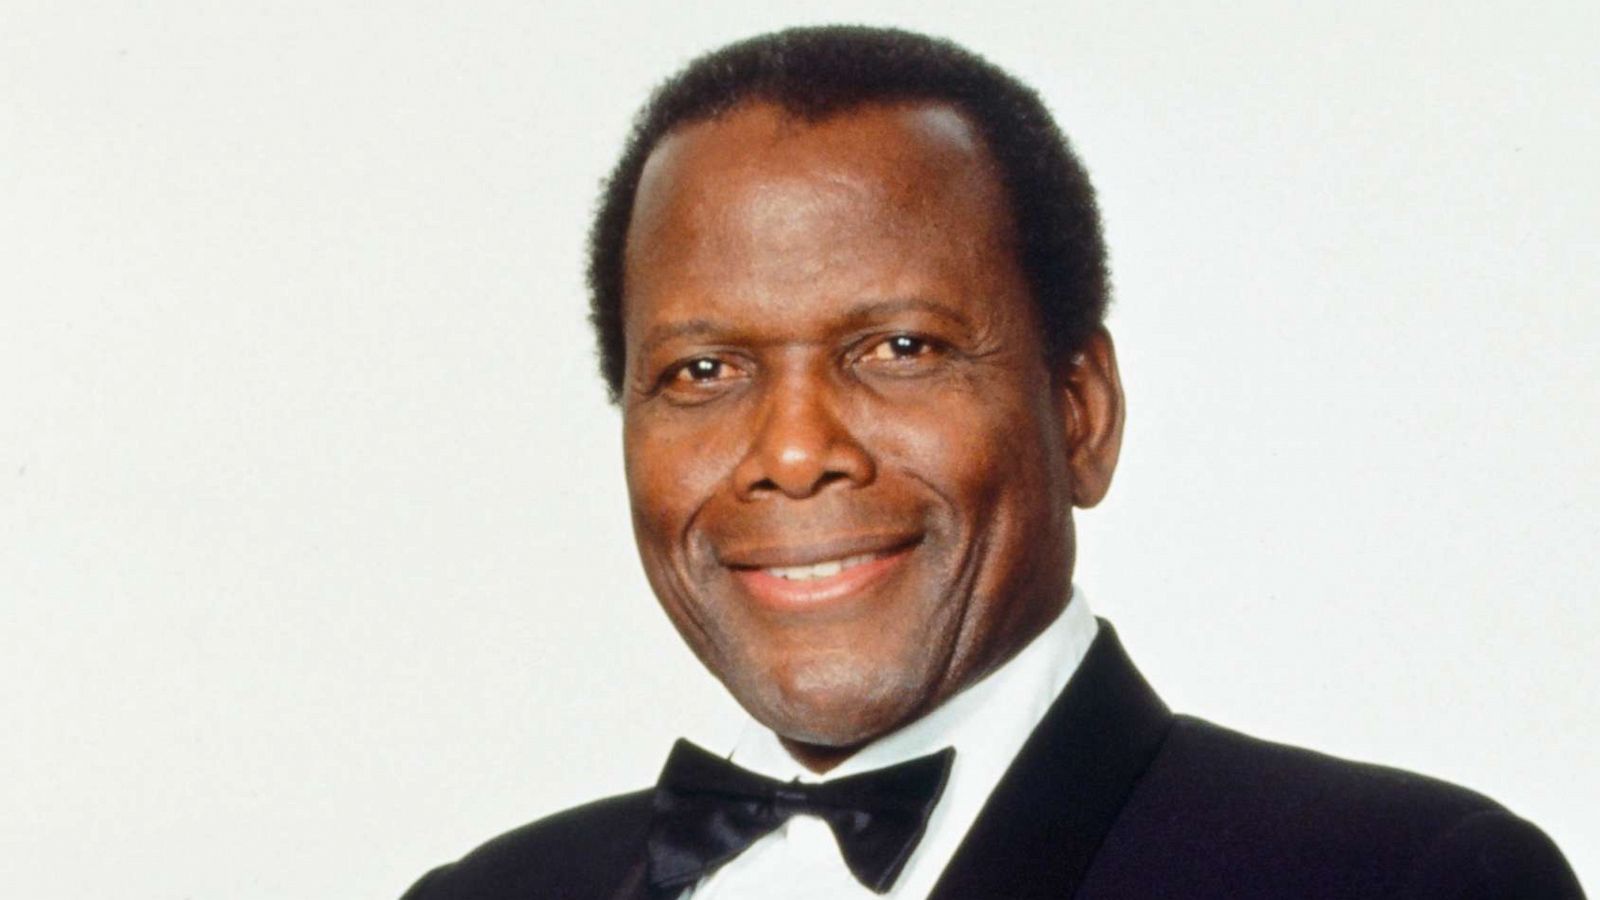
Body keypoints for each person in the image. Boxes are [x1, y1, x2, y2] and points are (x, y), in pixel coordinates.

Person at [400, 25, 1584, 899]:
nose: (794, 452)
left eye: (899, 349)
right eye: (703, 373)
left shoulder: (1398, 881)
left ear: (1079, 415)